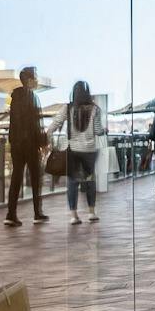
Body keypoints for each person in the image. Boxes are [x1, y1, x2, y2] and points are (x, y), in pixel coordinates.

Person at [49, 80, 107, 224]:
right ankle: (91, 212)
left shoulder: (68, 108)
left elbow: (56, 123)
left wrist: (47, 134)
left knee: (72, 182)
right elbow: (98, 131)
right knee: (90, 181)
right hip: (89, 150)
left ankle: (74, 215)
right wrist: (104, 130)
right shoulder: (95, 109)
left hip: (73, 150)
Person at [6, 66, 49, 225]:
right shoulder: (33, 97)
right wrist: (43, 142)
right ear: (29, 80)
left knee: (16, 178)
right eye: (35, 77)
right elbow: (37, 124)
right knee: (36, 178)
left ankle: (11, 215)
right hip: (30, 144)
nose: (37, 80)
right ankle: (38, 213)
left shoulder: (14, 97)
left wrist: (12, 141)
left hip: (17, 144)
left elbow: (13, 122)